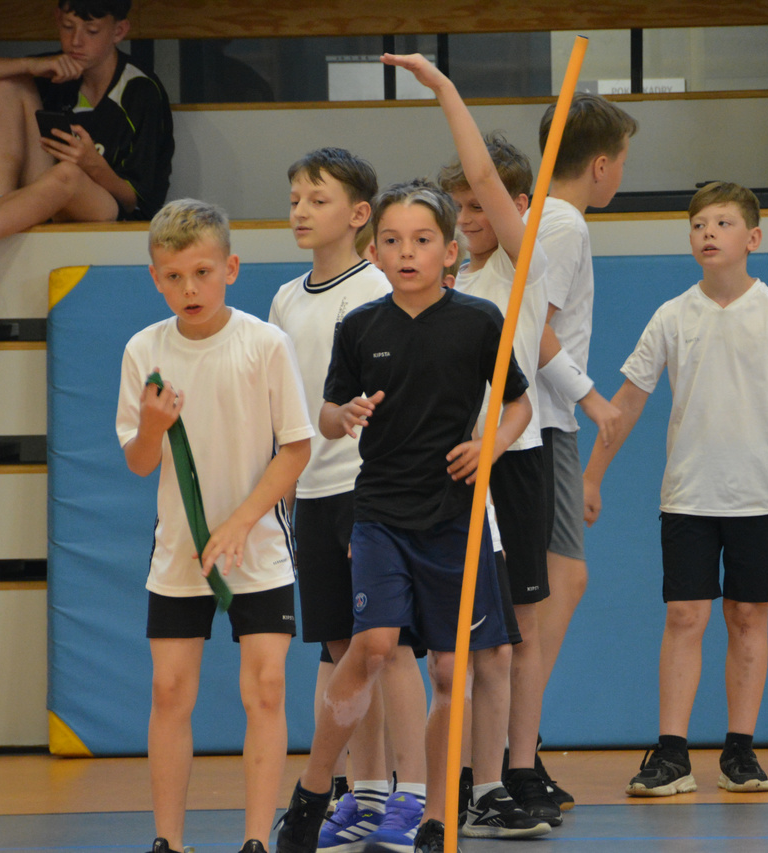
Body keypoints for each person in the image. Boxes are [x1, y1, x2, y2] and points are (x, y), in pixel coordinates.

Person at [275, 181, 534, 853]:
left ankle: (433, 815)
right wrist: (344, 414)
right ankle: (312, 792)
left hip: (453, 519)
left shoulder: (479, 321)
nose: (406, 252)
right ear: (376, 252)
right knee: (373, 645)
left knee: (450, 670)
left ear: (450, 252)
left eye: (422, 240)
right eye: (392, 241)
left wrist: (490, 445)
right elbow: (326, 413)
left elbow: (518, 404)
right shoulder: (361, 326)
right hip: (380, 514)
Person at [582, 181, 768, 797]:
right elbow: (628, 401)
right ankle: (672, 754)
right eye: (698, 225)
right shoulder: (672, 315)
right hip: (688, 499)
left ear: (753, 238)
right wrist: (591, 475)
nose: (708, 233)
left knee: (746, 617)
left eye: (722, 223)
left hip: (761, 502)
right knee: (685, 616)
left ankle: (740, 751)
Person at [381, 52, 562, 832]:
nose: (468, 215)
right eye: (453, 209)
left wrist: (446, 90)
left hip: (510, 465)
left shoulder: (522, 268)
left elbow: (485, 176)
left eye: (474, 205)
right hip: (441, 473)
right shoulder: (441, 284)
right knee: (447, 642)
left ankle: (504, 776)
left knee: (507, 636)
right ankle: (446, 781)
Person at [115, 199, 312, 853]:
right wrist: (152, 425)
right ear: (154, 279)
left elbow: (296, 447)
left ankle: (256, 840)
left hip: (258, 548)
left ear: (230, 268)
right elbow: (140, 461)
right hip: (179, 552)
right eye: (173, 277)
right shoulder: (144, 349)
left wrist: (240, 523)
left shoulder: (265, 343)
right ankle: (168, 841)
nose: (189, 288)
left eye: (202, 272)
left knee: (267, 687)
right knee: (169, 689)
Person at [269, 148, 435, 853]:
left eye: (318, 199)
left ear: (359, 213)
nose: (301, 211)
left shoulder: (377, 289)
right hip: (311, 492)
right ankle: (365, 794)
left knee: (387, 646)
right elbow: (286, 404)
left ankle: (411, 796)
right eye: (295, 199)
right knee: (343, 649)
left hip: (370, 493)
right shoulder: (284, 298)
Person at [526, 92, 638, 810]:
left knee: (555, 586)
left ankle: (513, 748)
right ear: (600, 165)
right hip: (543, 423)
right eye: (622, 160)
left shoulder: (543, 218)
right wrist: (591, 397)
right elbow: (533, 327)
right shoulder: (563, 224)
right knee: (557, 586)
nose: (622, 173)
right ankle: (509, 751)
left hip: (545, 424)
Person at [0, 0, 173, 281]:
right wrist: (29, 65)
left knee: (67, 174)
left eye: (91, 31)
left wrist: (92, 164)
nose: (76, 41)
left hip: (112, 211)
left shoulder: (141, 90)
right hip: (45, 194)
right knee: (6, 81)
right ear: (57, 18)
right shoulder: (56, 67)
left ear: (119, 31)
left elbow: (136, 201)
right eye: (68, 27)